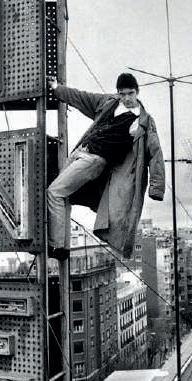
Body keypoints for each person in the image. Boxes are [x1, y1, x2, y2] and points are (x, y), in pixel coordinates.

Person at [47, 72, 165, 260]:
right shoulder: (109, 102)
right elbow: (82, 97)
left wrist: (156, 188)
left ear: (137, 92)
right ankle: (63, 246)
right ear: (118, 93)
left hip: (94, 160)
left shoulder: (143, 122)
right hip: (80, 151)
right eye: (122, 94)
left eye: (130, 93)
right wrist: (56, 88)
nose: (127, 98)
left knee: (54, 192)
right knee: (64, 195)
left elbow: (155, 153)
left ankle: (57, 247)